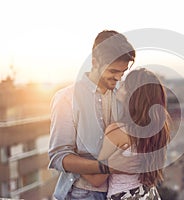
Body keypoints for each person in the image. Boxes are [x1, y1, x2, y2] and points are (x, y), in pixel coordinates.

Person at [48, 30, 137, 200]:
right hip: (80, 194)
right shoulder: (66, 99)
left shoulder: (124, 94)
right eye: (113, 71)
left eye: (123, 72)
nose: (118, 77)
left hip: (119, 193)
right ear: (95, 62)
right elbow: (59, 157)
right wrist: (106, 168)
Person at [81, 68, 171, 200]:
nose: (119, 85)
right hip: (148, 194)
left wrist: (71, 159)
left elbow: (96, 180)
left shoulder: (117, 132)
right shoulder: (159, 129)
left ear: (132, 95)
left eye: (124, 85)